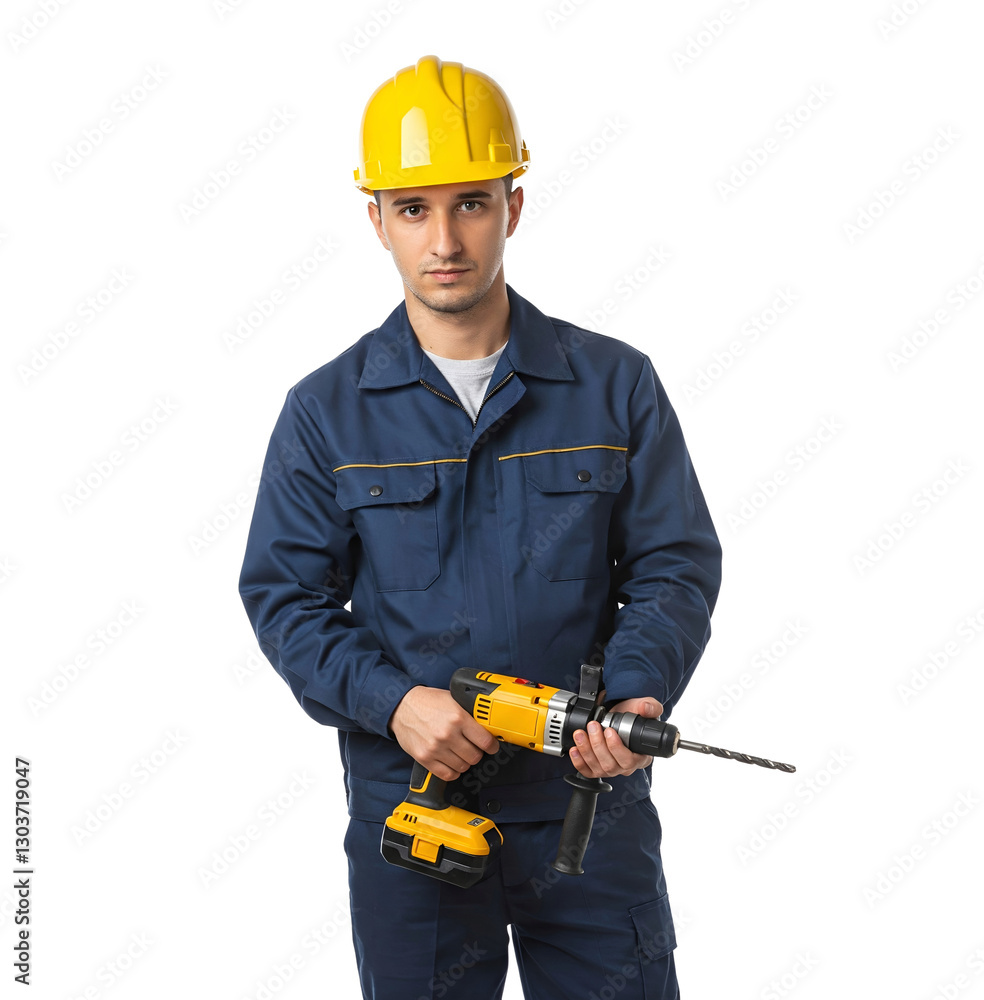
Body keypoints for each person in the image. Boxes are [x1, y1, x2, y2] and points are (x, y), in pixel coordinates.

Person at [238, 54, 722, 1000]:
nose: (446, 238)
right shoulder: (326, 411)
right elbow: (285, 599)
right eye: (414, 208)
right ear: (375, 219)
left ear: (515, 203)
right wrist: (392, 703)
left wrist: (636, 693)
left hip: (589, 801)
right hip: (415, 810)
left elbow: (674, 563)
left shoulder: (615, 385)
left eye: (471, 202)